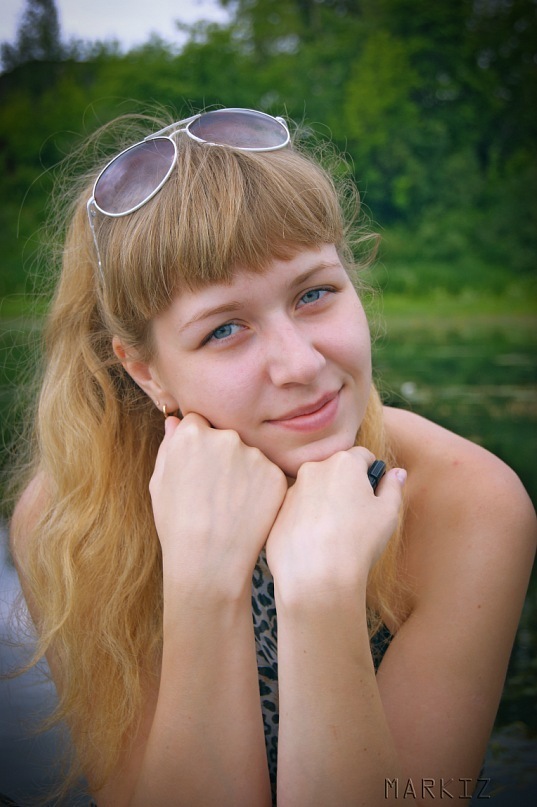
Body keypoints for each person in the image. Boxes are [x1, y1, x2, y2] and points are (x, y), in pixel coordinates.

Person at [9, 107, 536, 807]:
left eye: (314, 293)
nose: (301, 364)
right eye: (224, 329)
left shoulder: (467, 502)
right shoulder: (73, 520)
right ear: (146, 371)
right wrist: (205, 580)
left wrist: (321, 596)